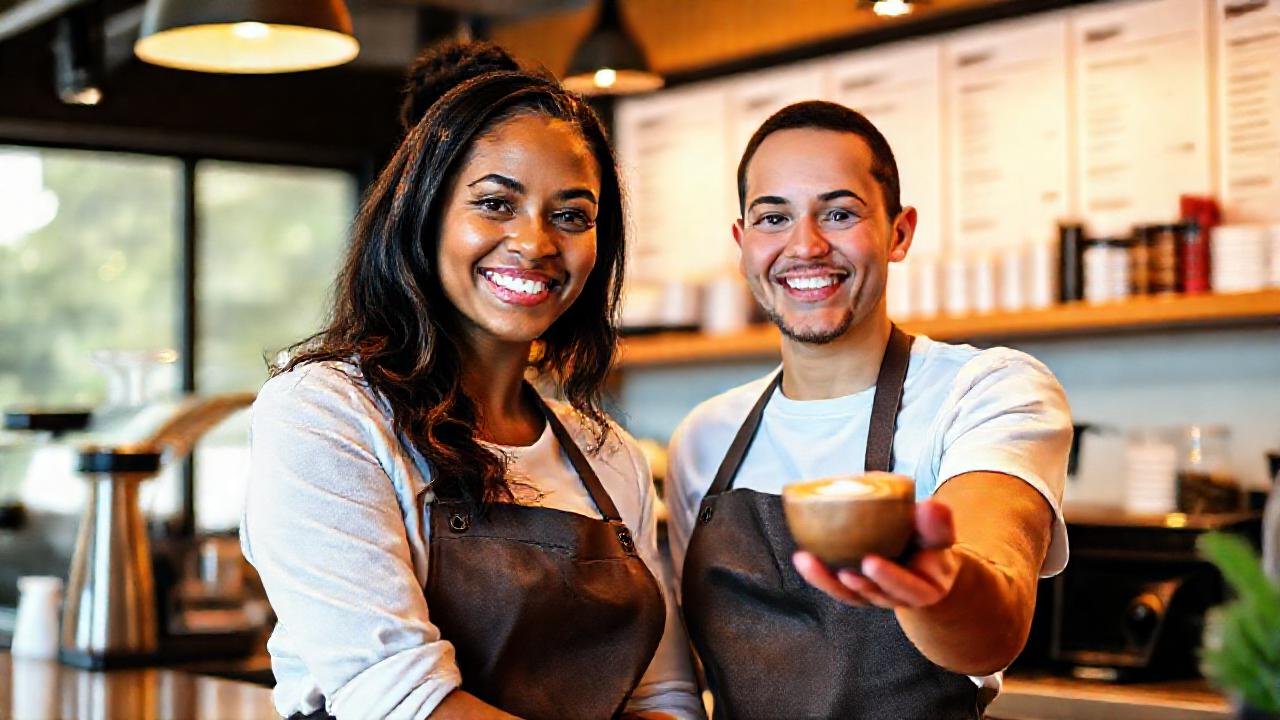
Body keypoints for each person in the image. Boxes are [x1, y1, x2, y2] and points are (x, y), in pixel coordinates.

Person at [241, 42, 703, 720]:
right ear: (424, 215)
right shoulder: (326, 414)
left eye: (572, 214)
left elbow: (662, 698)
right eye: (495, 203)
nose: (536, 242)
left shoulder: (612, 460)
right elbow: (400, 701)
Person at [666, 101, 1073, 719]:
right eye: (773, 217)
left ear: (899, 232)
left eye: (839, 212)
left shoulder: (987, 391)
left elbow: (996, 620)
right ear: (742, 243)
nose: (804, 245)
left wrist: (936, 584)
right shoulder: (704, 437)